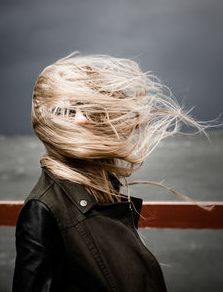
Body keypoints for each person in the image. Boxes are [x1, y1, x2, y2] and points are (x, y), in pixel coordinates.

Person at [12, 51, 218, 292]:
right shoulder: (42, 210)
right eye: (66, 111)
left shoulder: (104, 189)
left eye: (85, 107)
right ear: (47, 123)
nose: (82, 119)